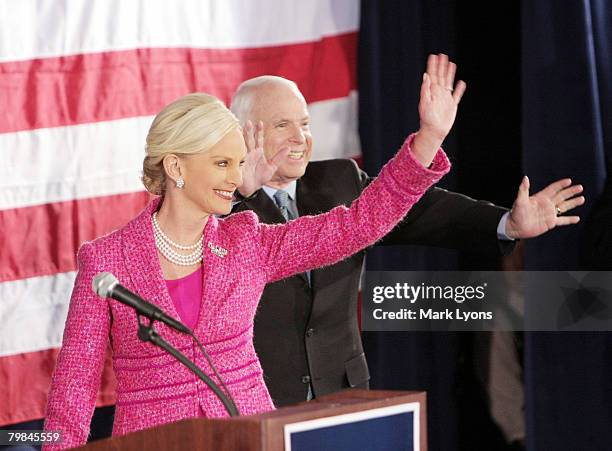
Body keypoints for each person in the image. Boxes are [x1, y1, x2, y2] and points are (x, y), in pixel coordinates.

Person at [42, 56, 464, 449]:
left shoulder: (246, 241)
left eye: (238, 163)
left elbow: (357, 224)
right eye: (222, 164)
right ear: (175, 167)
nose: (237, 178)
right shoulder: (108, 261)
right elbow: (73, 391)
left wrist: (427, 140)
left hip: (249, 436)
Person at [229, 54, 585, 406]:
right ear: (245, 131)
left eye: (304, 123)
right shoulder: (222, 206)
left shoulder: (339, 181)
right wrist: (239, 191)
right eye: (282, 125)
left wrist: (508, 223)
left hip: (342, 393)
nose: (300, 137)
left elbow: (423, 211)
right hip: (260, 400)